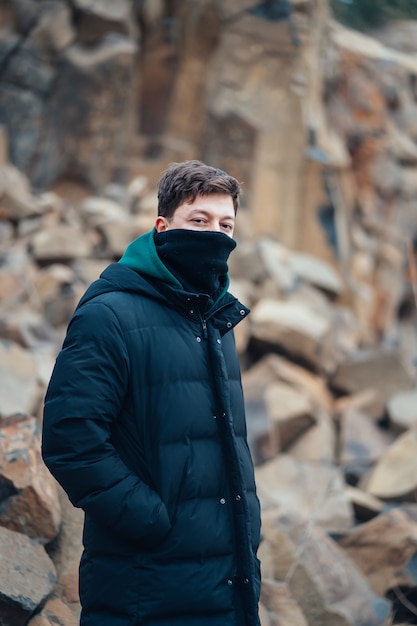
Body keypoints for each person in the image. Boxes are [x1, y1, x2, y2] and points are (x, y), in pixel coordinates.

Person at [42, 160, 262, 626]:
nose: (215, 235)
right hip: (145, 586)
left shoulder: (217, 321)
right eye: (198, 221)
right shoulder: (110, 314)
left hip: (225, 579)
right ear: (162, 227)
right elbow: (70, 440)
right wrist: (150, 520)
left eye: (226, 225)